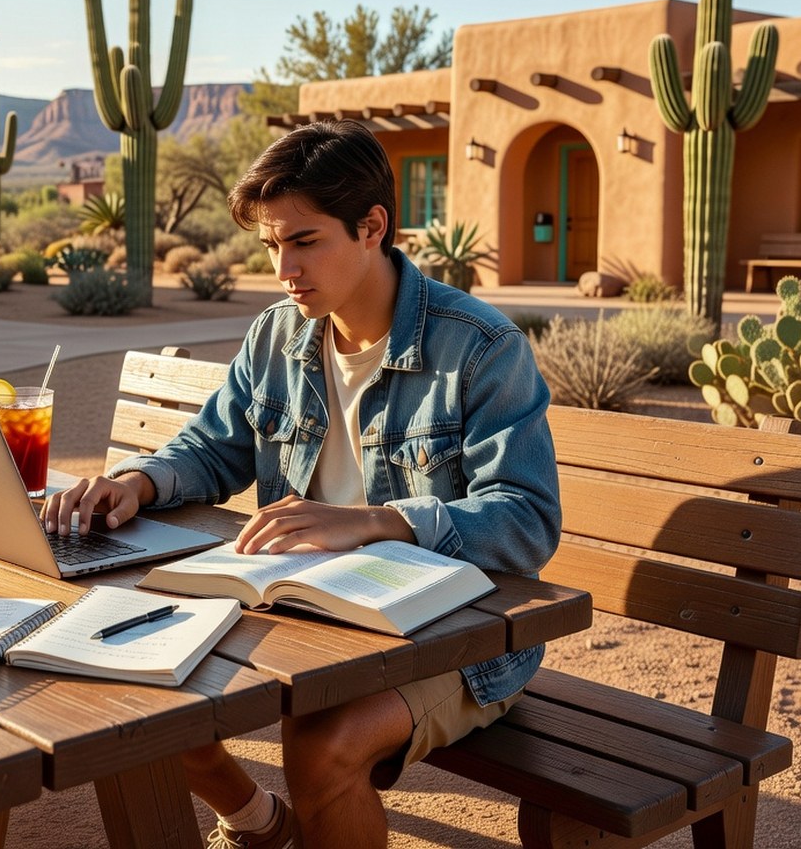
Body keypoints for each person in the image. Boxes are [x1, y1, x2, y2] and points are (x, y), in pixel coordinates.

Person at [43, 119, 560, 849]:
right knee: (126, 676)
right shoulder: (276, 335)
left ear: (372, 227)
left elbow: (526, 520)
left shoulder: (480, 348)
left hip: (454, 638)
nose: (284, 269)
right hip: (306, 616)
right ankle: (256, 823)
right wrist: (138, 481)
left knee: (322, 746)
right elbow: (213, 446)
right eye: (270, 246)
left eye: (304, 241)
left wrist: (378, 520)